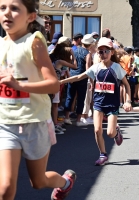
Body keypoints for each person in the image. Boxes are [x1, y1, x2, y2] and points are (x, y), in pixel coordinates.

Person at [0, 0, 77, 199]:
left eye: (15, 8)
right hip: (6, 123)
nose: (7, 13)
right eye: (2, 8)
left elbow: (53, 84)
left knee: (38, 182)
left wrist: (19, 86)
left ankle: (65, 182)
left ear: (30, 17)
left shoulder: (33, 40)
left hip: (35, 122)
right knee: (5, 187)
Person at [60, 37, 132, 165]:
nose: (103, 54)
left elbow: (126, 85)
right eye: (100, 51)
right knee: (97, 130)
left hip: (112, 104)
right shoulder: (96, 67)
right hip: (98, 103)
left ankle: (116, 131)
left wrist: (128, 101)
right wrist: (61, 81)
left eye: (106, 51)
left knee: (110, 133)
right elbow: (79, 76)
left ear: (112, 52)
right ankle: (103, 154)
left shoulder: (116, 68)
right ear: (97, 53)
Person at [64, 34, 93, 126]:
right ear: (90, 44)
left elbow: (70, 62)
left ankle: (67, 117)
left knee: (69, 97)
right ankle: (78, 120)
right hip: (82, 78)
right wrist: (91, 81)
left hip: (72, 76)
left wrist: (68, 74)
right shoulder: (88, 54)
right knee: (81, 98)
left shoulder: (75, 50)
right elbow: (88, 69)